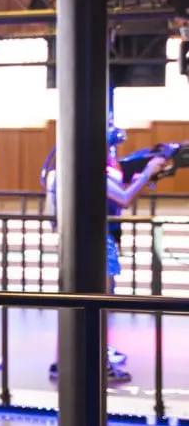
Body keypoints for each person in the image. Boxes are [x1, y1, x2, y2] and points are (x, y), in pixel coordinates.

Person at [48, 122, 165, 384]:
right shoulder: (90, 169)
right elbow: (123, 198)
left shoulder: (68, 168)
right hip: (97, 239)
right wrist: (147, 173)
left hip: (75, 240)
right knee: (100, 305)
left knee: (73, 305)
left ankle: (65, 362)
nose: (113, 152)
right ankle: (100, 365)